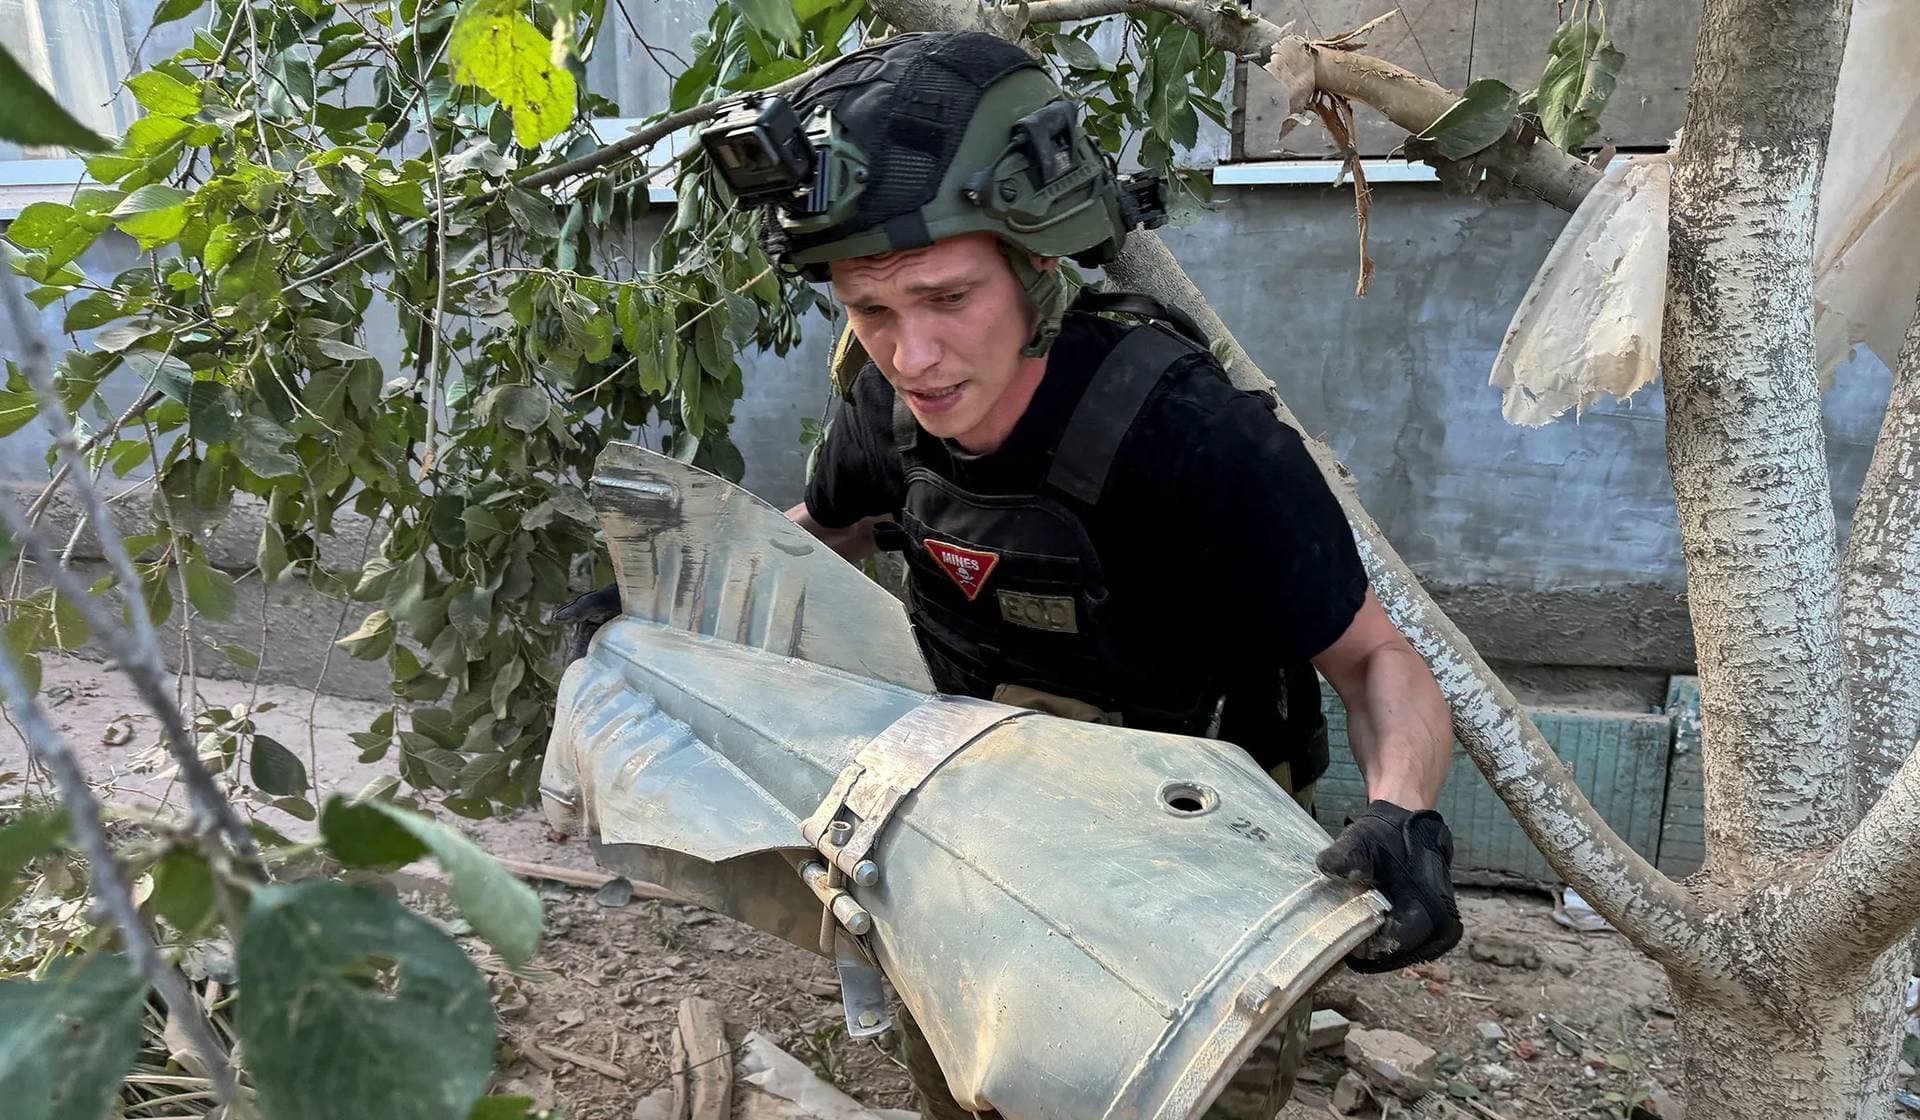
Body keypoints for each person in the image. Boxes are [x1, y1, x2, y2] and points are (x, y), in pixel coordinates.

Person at [691, 29, 1463, 1119]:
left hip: (1196, 871)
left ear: (1037, 265)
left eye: (947, 299)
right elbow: (818, 528)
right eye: (871, 311)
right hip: (978, 828)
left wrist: (1403, 816)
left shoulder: (1198, 443)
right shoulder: (884, 410)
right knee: (968, 1080)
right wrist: (672, 602)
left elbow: (1376, 656)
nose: (911, 358)